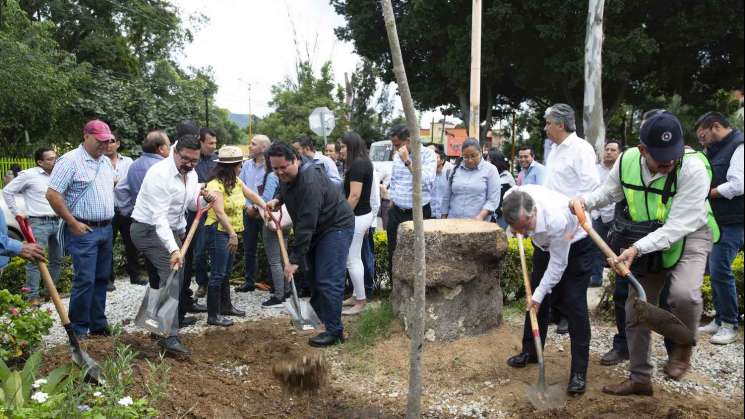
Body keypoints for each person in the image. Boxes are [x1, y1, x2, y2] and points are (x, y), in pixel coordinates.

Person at [574, 111, 719, 396]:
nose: (669, 162)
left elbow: (679, 225)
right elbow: (609, 192)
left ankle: (683, 347)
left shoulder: (693, 168)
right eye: (661, 157)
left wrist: (636, 249)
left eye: (673, 155)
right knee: (636, 307)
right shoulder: (626, 160)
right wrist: (584, 202)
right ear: (642, 150)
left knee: (684, 295)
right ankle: (640, 378)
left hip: (689, 234)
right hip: (644, 236)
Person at [503, 185, 593, 396]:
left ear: (534, 212)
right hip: (544, 246)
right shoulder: (511, 199)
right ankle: (531, 351)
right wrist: (516, 229)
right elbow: (519, 222)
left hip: (577, 244)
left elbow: (558, 265)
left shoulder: (556, 219)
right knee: (534, 297)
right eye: (519, 229)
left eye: (526, 227)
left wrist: (540, 294)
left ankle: (579, 372)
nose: (523, 233)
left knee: (573, 302)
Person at [130, 134, 215, 354]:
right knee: (173, 275)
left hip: (173, 230)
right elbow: (159, 218)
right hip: (148, 230)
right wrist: (174, 250)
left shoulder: (191, 173)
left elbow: (190, 203)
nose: (189, 164)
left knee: (171, 276)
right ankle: (169, 337)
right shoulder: (159, 174)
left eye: (194, 160)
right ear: (175, 151)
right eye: (185, 159)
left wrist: (204, 198)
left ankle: (158, 323)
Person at [265, 142, 354, 347]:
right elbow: (285, 187)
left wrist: (294, 260)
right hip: (319, 228)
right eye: (275, 168)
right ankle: (322, 317)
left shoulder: (310, 180)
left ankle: (334, 331)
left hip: (335, 226)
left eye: (283, 167)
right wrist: (278, 200)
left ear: (295, 160)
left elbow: (306, 224)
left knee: (328, 279)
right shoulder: (289, 175)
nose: (279, 172)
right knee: (314, 277)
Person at [46, 120, 116, 339]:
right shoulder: (70, 161)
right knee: (85, 279)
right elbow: (53, 194)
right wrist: (72, 222)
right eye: (99, 141)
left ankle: (97, 324)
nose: (104, 145)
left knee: (102, 278)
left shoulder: (105, 162)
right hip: (83, 229)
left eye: (107, 141)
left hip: (106, 228)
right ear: (86, 136)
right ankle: (78, 329)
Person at [542, 103, 600, 336]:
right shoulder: (554, 149)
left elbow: (590, 189)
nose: (545, 128)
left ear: (561, 125)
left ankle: (569, 321)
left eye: (548, 124)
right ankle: (555, 314)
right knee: (552, 278)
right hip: (553, 229)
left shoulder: (581, 149)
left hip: (574, 232)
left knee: (572, 288)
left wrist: (574, 220)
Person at [695, 112, 743, 345]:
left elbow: (739, 184)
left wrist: (709, 192)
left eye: (703, 136)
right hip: (716, 220)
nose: (702, 142)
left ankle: (730, 324)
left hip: (734, 220)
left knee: (721, 269)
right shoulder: (714, 151)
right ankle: (720, 318)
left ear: (715, 127)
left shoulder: (739, 146)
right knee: (714, 270)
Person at [203, 146, 266, 326]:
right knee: (217, 273)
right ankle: (213, 316)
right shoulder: (215, 185)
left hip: (230, 233)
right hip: (219, 231)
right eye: (240, 165)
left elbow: (251, 194)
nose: (241, 167)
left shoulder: (235, 181)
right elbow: (220, 213)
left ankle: (226, 307)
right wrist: (232, 234)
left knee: (226, 272)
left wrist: (265, 206)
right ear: (232, 166)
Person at [2, 148, 62, 306]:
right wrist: (17, 212)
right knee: (35, 260)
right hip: (39, 222)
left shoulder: (59, 175)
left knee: (57, 259)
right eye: (50, 159)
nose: (54, 161)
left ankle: (51, 292)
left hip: (58, 221)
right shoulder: (29, 175)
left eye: (55, 158)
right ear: (40, 162)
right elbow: (7, 191)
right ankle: (32, 297)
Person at [114, 130, 170, 290]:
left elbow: (120, 189)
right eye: (168, 144)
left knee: (152, 265)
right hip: (161, 223)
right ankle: (169, 310)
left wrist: (129, 211)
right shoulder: (162, 167)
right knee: (167, 267)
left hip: (142, 222)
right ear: (160, 148)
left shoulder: (134, 165)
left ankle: (156, 305)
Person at [385, 124, 437, 278]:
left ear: (408, 140)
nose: (395, 149)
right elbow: (395, 180)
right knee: (393, 251)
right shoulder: (397, 156)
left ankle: (418, 292)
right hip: (397, 211)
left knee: (419, 254)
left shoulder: (428, 155)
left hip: (418, 212)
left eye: (397, 145)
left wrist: (408, 161)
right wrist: (392, 199)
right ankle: (395, 291)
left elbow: (427, 181)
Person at [338, 132, 375, 316]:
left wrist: (340, 216)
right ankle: (356, 295)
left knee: (352, 260)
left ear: (351, 146)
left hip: (357, 217)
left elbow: (354, 195)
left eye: (343, 146)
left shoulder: (358, 165)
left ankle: (360, 301)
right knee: (353, 259)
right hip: (360, 216)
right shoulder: (362, 162)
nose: (340, 150)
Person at [182, 127, 216, 308]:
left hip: (214, 210)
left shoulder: (216, 160)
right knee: (198, 250)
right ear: (200, 142)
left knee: (213, 247)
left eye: (215, 143)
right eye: (210, 143)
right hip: (196, 212)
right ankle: (202, 282)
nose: (213, 146)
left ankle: (215, 284)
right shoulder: (192, 163)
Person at [236, 134, 271, 293]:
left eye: (253, 143)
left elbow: (271, 191)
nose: (249, 146)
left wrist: (257, 208)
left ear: (264, 147)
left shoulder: (270, 167)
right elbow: (240, 188)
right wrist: (247, 207)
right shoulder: (247, 166)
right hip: (248, 213)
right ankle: (249, 281)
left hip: (266, 213)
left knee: (271, 249)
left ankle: (274, 283)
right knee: (249, 249)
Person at [257, 150, 291, 308]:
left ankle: (279, 295)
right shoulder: (287, 176)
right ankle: (287, 289)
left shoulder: (272, 175)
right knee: (284, 257)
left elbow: (266, 199)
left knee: (275, 260)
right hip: (286, 219)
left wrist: (256, 203)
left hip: (274, 219)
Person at [105, 135, 138, 291]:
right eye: (106, 142)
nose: (109, 145)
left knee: (131, 243)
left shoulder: (129, 162)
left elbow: (131, 182)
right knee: (107, 246)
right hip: (108, 210)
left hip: (126, 208)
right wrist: (116, 183)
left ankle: (135, 275)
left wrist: (115, 183)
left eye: (112, 141)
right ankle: (108, 279)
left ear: (117, 143)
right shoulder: (100, 162)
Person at [442, 138, 501, 220]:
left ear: (480, 153)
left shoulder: (491, 170)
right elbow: (446, 196)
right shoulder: (455, 169)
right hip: (453, 221)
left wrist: (480, 216)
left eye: (473, 156)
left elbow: (493, 199)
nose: (470, 160)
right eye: (465, 157)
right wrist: (444, 217)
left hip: (478, 223)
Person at [590, 140, 622, 288]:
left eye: (613, 150)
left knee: (617, 249)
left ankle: (618, 281)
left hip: (617, 215)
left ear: (619, 153)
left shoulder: (622, 169)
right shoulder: (595, 169)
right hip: (598, 215)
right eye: (607, 149)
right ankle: (596, 278)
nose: (608, 152)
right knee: (596, 246)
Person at [487, 148, 516, 228]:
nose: (487, 162)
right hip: (490, 213)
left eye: (489, 160)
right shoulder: (489, 175)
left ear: (496, 161)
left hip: (502, 215)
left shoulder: (506, 177)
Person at [430, 149, 451, 219]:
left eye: (435, 158)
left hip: (444, 215)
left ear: (442, 161)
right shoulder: (427, 174)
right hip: (430, 214)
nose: (431, 161)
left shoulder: (450, 172)